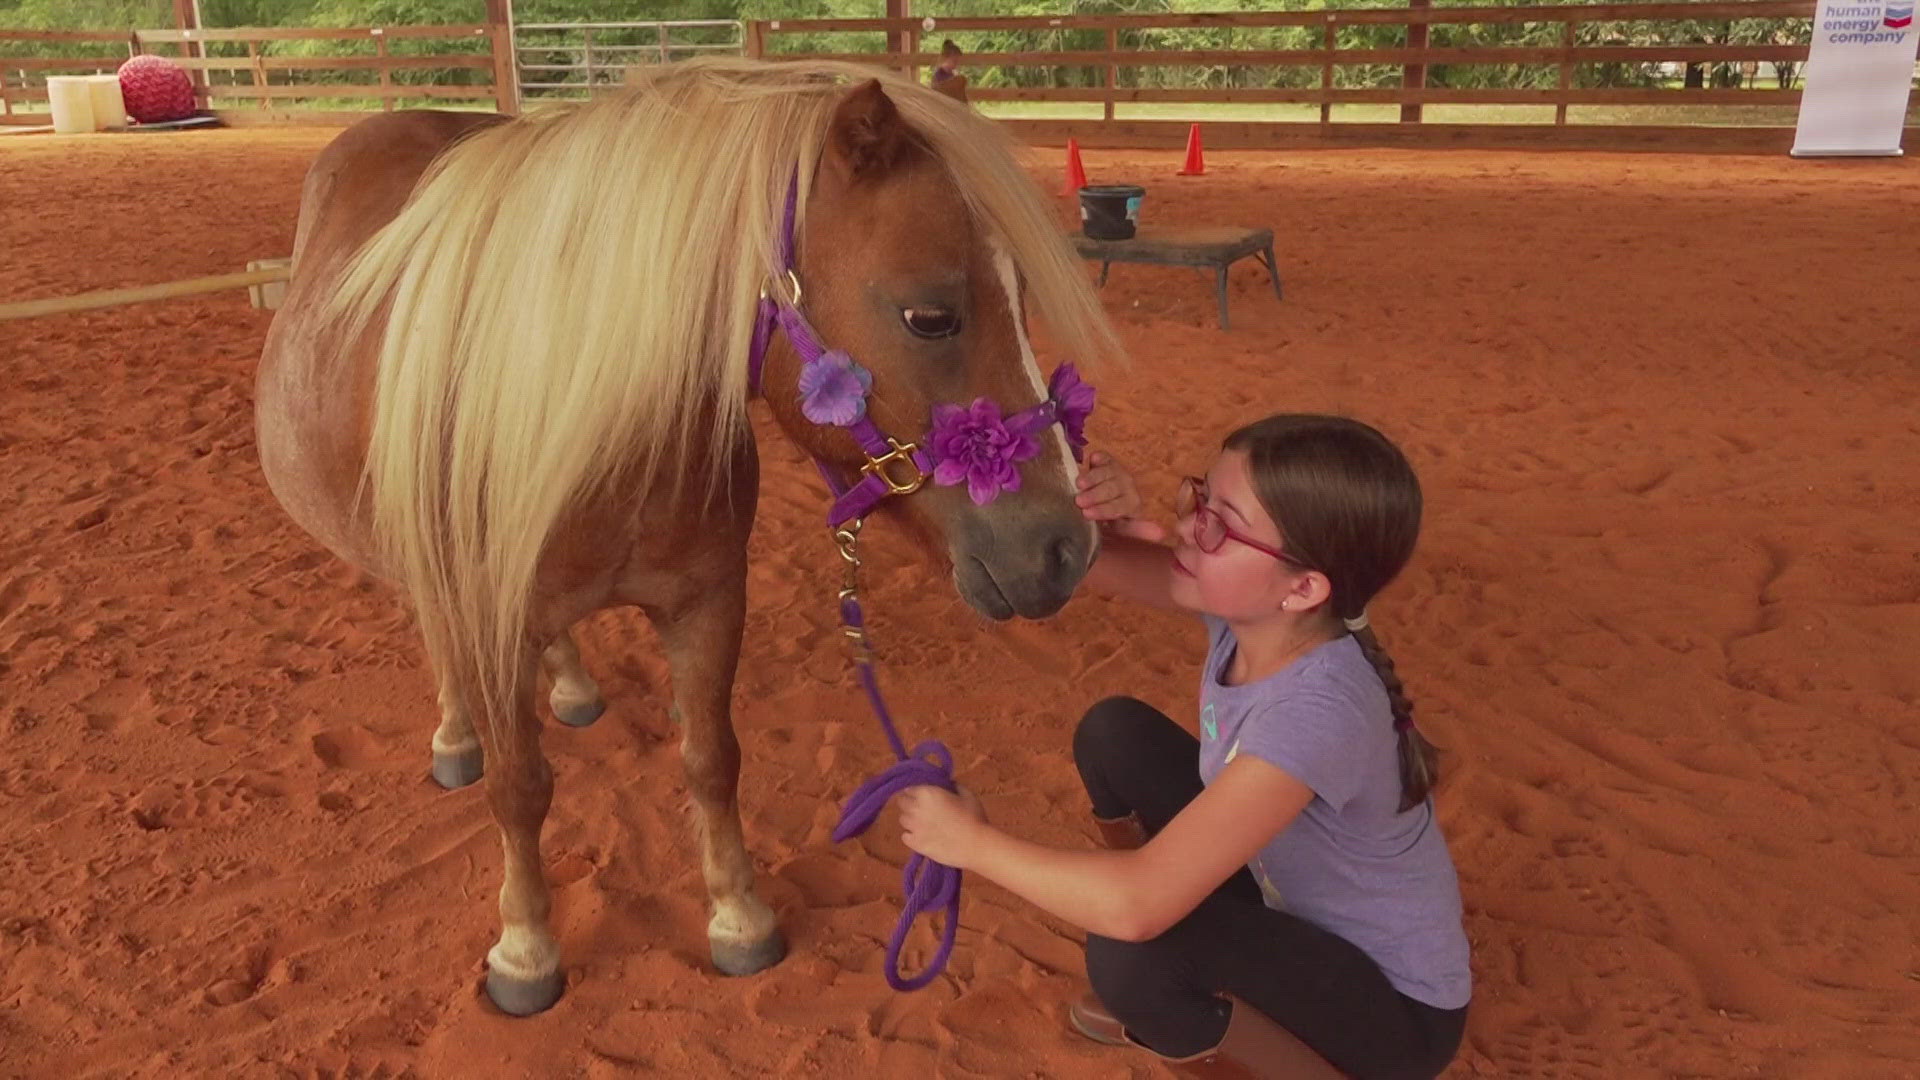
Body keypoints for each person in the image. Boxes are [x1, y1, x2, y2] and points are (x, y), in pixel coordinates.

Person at [896, 415, 1471, 1080]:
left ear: (1303, 587)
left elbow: (1137, 906)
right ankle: (1185, 992)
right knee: (1115, 734)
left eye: (1220, 524)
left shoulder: (1319, 710)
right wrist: (1085, 511)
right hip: (1290, 916)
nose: (1189, 526)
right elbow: (1077, 562)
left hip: (1394, 1019)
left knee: (1134, 954)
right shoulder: (1263, 620)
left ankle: (1232, 1038)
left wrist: (969, 845)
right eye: (1199, 498)